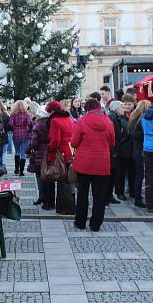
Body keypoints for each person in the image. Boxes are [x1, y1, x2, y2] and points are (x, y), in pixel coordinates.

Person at [70, 98, 114, 231]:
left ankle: (80, 222)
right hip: (102, 163)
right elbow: (112, 143)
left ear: (86, 108)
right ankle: (95, 224)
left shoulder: (82, 121)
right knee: (99, 196)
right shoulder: (108, 121)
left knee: (82, 194)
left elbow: (74, 142)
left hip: (84, 164)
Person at [45, 101, 75, 215]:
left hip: (61, 153)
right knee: (69, 180)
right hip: (70, 152)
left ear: (52, 111)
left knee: (62, 181)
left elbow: (55, 141)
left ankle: (67, 208)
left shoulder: (54, 121)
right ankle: (69, 205)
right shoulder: (69, 118)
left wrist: (50, 154)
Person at [27, 108, 54, 210]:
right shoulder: (52, 123)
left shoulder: (38, 125)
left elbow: (34, 142)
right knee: (49, 178)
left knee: (40, 177)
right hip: (50, 152)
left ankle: (42, 197)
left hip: (39, 154)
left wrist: (28, 150)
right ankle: (50, 200)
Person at [129, 99, 151, 208]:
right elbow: (135, 135)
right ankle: (138, 198)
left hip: (137, 150)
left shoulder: (134, 118)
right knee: (140, 175)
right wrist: (148, 132)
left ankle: (137, 196)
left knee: (138, 175)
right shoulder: (140, 119)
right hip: (140, 150)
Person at [9, 100, 33, 176]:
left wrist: (14, 128)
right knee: (23, 153)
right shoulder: (26, 114)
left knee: (17, 151)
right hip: (25, 134)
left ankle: (16, 169)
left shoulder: (13, 115)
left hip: (16, 134)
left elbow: (10, 124)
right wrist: (29, 131)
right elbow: (29, 123)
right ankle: (21, 172)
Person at [0, 101, 13, 167]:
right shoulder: (6, 115)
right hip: (5, 134)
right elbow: (9, 127)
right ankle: (4, 164)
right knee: (4, 151)